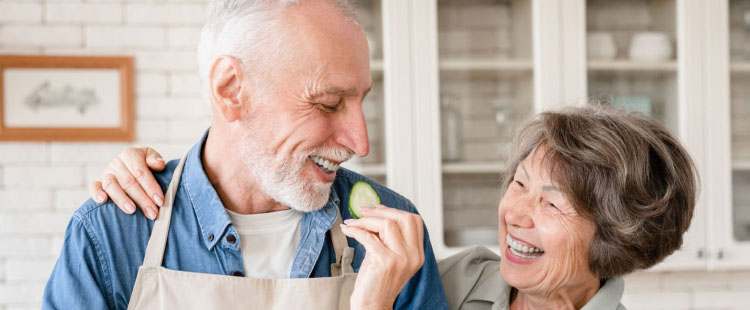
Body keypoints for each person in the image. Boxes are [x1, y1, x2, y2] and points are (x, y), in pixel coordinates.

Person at [43, 0, 447, 309]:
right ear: (231, 90)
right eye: (328, 103)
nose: (361, 143)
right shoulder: (112, 235)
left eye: (361, 100)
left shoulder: (392, 238)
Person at [91, 105, 698, 309]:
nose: (516, 212)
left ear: (613, 235)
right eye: (518, 183)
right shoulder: (454, 279)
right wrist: (173, 176)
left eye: (552, 202)